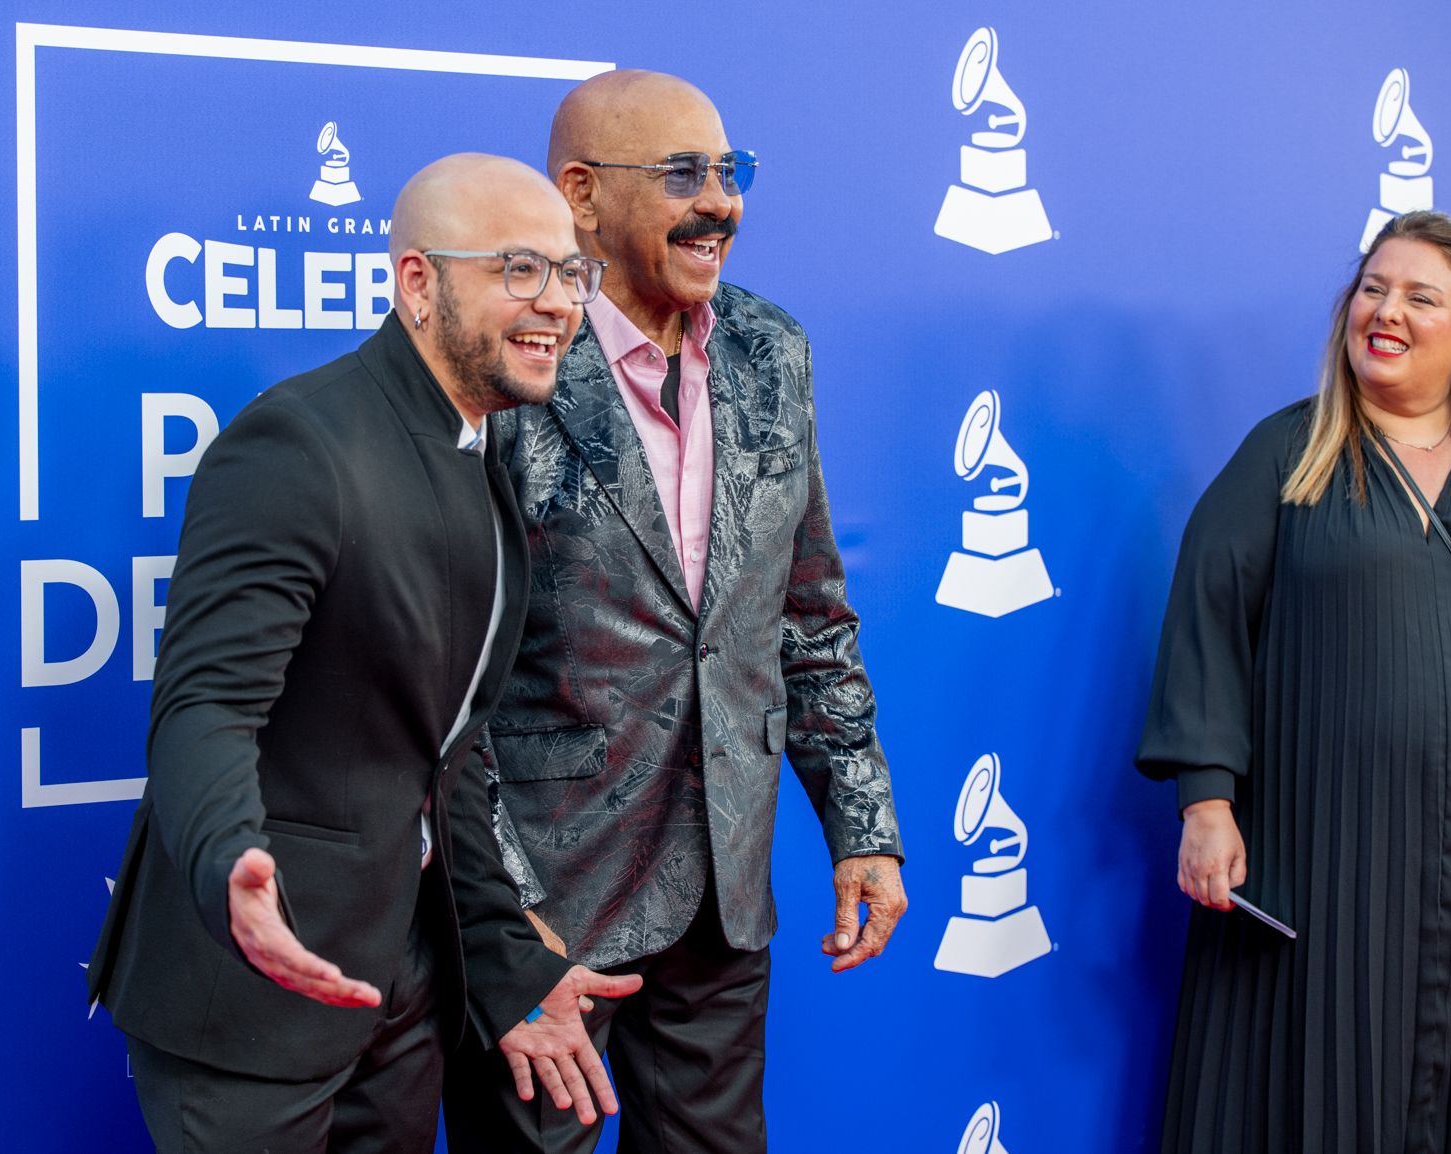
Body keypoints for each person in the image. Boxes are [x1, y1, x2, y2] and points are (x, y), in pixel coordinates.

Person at [85, 153, 641, 1154]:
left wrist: (505, 959)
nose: (558, 303)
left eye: (570, 273)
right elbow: (205, 706)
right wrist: (229, 865)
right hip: (253, 993)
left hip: (401, 989)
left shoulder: (482, 450)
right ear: (419, 283)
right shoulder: (298, 443)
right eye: (521, 270)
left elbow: (445, 755)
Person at [441, 72, 907, 1154]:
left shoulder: (772, 350)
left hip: (723, 892)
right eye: (685, 174)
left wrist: (862, 826)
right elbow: (449, 676)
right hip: (546, 900)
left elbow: (808, 615)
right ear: (581, 196)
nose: (723, 202)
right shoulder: (511, 354)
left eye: (730, 172)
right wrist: (508, 914)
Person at [1137, 210, 1451, 1152]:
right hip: (1326, 844)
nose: (1385, 310)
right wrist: (1205, 803)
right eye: (1371, 288)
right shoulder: (1288, 452)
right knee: (1316, 1068)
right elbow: (1205, 618)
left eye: (1418, 296)